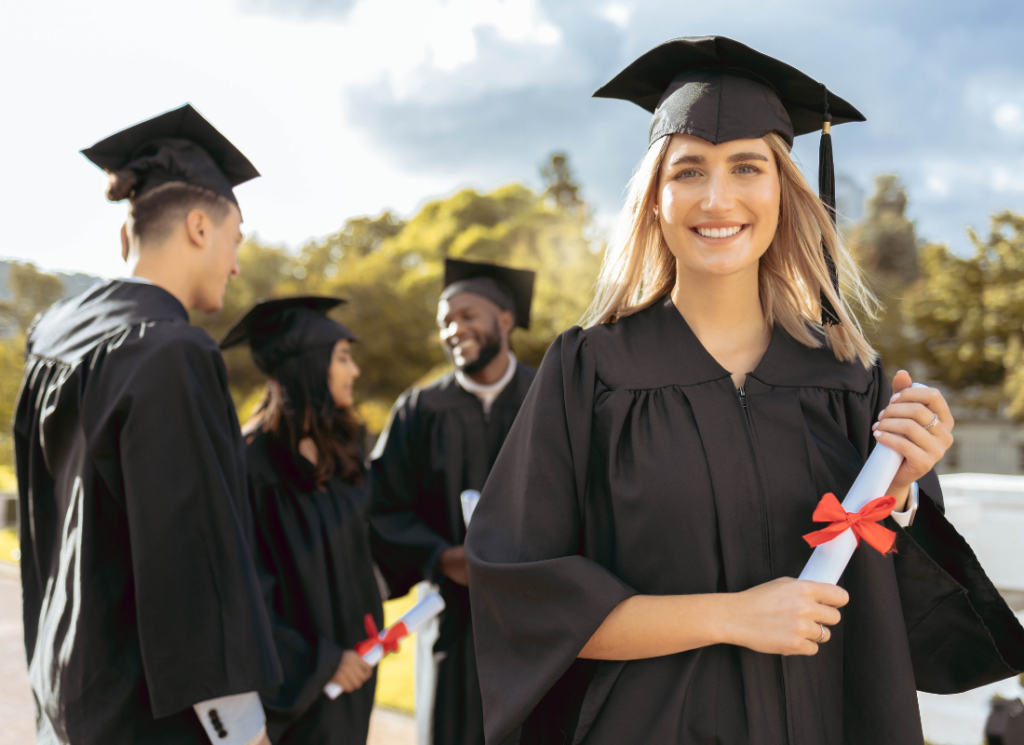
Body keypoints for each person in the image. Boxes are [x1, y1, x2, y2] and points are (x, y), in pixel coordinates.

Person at [465, 36, 1024, 745]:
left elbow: (892, 608)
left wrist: (904, 488)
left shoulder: (851, 382)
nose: (717, 197)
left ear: (784, 190)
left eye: (747, 167)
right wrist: (730, 615)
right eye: (689, 170)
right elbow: (524, 596)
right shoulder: (591, 373)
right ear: (655, 201)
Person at [13, 104, 281, 745]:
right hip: (143, 716)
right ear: (197, 225)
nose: (237, 264)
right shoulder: (171, 352)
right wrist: (243, 730)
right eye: (235, 238)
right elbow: (194, 564)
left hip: (67, 690)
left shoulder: (54, 333)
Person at [368, 259, 537, 745]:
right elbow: (383, 506)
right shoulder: (420, 410)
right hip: (450, 613)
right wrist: (442, 555)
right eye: (445, 320)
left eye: (469, 315)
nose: (454, 328)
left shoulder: (549, 398)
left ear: (505, 320)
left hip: (532, 612)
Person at [219, 296, 383, 744]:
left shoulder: (343, 454)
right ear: (309, 364)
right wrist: (323, 661)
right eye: (343, 358)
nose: (354, 372)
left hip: (354, 679)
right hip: (293, 692)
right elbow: (241, 592)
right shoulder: (248, 465)